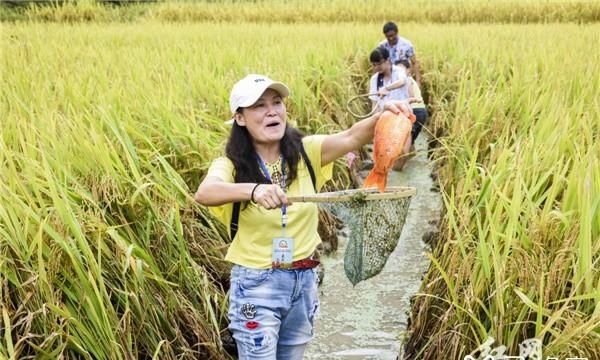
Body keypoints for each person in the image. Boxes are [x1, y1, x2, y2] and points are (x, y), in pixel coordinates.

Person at [194, 74, 410, 360]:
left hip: (304, 282)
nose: (272, 111)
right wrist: (254, 190)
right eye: (259, 106)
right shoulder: (230, 166)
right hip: (257, 287)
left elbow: (352, 136)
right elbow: (206, 192)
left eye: (277, 102)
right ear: (240, 118)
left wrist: (385, 115)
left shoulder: (306, 153)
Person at [396, 59, 428, 152]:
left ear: (408, 70)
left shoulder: (407, 80)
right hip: (421, 111)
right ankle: (411, 158)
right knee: (410, 141)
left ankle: (404, 162)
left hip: (415, 111)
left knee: (405, 141)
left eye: (402, 69)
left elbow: (411, 97)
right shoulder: (408, 80)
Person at [378, 21, 421, 86]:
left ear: (397, 32)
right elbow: (377, 64)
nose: (391, 38)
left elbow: (414, 63)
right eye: (388, 36)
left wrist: (418, 81)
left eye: (392, 35)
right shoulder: (382, 46)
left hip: (404, 79)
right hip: (387, 80)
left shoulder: (406, 44)